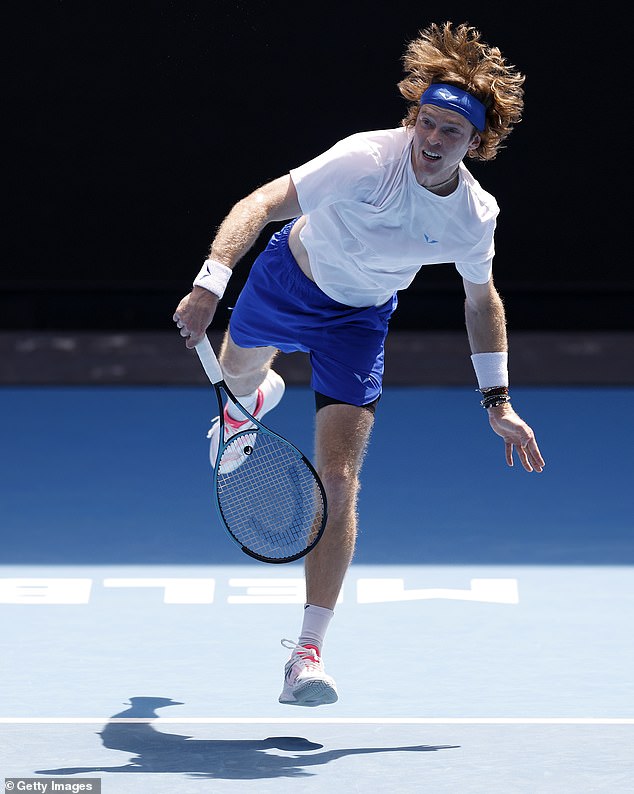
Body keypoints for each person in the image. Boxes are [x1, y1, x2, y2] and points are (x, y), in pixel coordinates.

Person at [173, 21, 545, 707]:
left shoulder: (473, 215)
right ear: (413, 119)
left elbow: (479, 297)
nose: (432, 143)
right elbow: (260, 201)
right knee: (238, 380)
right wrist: (210, 280)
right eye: (426, 125)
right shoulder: (366, 160)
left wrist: (498, 399)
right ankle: (248, 402)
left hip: (359, 321)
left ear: (476, 143)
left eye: (451, 134)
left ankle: (307, 655)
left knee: (339, 482)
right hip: (288, 279)